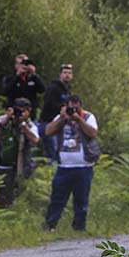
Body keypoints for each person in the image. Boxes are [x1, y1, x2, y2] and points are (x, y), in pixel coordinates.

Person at [43, 95, 100, 231]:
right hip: (64, 167)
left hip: (83, 166)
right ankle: (50, 225)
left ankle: (79, 228)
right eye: (71, 107)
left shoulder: (88, 117)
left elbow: (92, 133)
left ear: (81, 106)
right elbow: (48, 131)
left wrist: (78, 119)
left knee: (81, 199)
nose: (73, 109)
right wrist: (63, 118)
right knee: (57, 198)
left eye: (76, 107)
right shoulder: (61, 118)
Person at [0, 98, 40, 206]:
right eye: (18, 110)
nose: (19, 113)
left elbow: (35, 139)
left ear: (29, 112)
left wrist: (23, 126)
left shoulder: (29, 125)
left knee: (14, 194)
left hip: (19, 165)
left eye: (23, 111)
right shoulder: (3, 120)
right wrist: (7, 117)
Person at [39, 64, 74, 162]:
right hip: (49, 122)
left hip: (61, 124)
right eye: (65, 73)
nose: (67, 75)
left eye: (69, 73)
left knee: (61, 152)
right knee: (53, 153)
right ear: (60, 75)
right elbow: (48, 103)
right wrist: (61, 108)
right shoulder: (54, 87)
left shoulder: (67, 89)